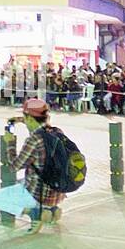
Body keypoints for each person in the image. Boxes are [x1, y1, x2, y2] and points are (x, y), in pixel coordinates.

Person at [10, 95, 79, 232]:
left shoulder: (34, 140)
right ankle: (52, 210)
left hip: (40, 192)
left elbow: (14, 166)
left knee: (4, 194)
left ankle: (36, 214)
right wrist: (25, 120)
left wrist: (10, 143)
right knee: (41, 172)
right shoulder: (57, 132)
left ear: (29, 118)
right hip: (58, 188)